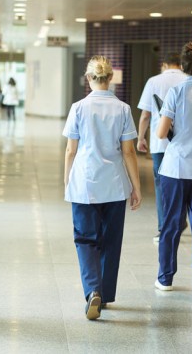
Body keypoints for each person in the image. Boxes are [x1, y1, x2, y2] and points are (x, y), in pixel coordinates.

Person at [63, 56, 142, 320]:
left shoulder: (78, 108)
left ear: (89, 79)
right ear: (110, 79)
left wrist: (67, 180)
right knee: (110, 241)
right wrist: (136, 187)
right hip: (115, 185)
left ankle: (92, 290)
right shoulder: (123, 109)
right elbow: (129, 151)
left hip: (85, 182)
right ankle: (104, 295)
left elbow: (70, 150)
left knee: (86, 239)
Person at [153, 42, 192, 302]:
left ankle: (165, 279)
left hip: (175, 169)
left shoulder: (176, 91)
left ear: (183, 67)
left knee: (171, 225)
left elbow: (161, 133)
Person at [136, 53, 187, 243]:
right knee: (182, 183)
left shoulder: (154, 81)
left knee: (161, 186)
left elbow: (145, 115)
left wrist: (141, 138)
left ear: (164, 64)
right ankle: (180, 221)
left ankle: (163, 227)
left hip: (160, 143)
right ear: (180, 64)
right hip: (182, 143)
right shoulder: (187, 80)